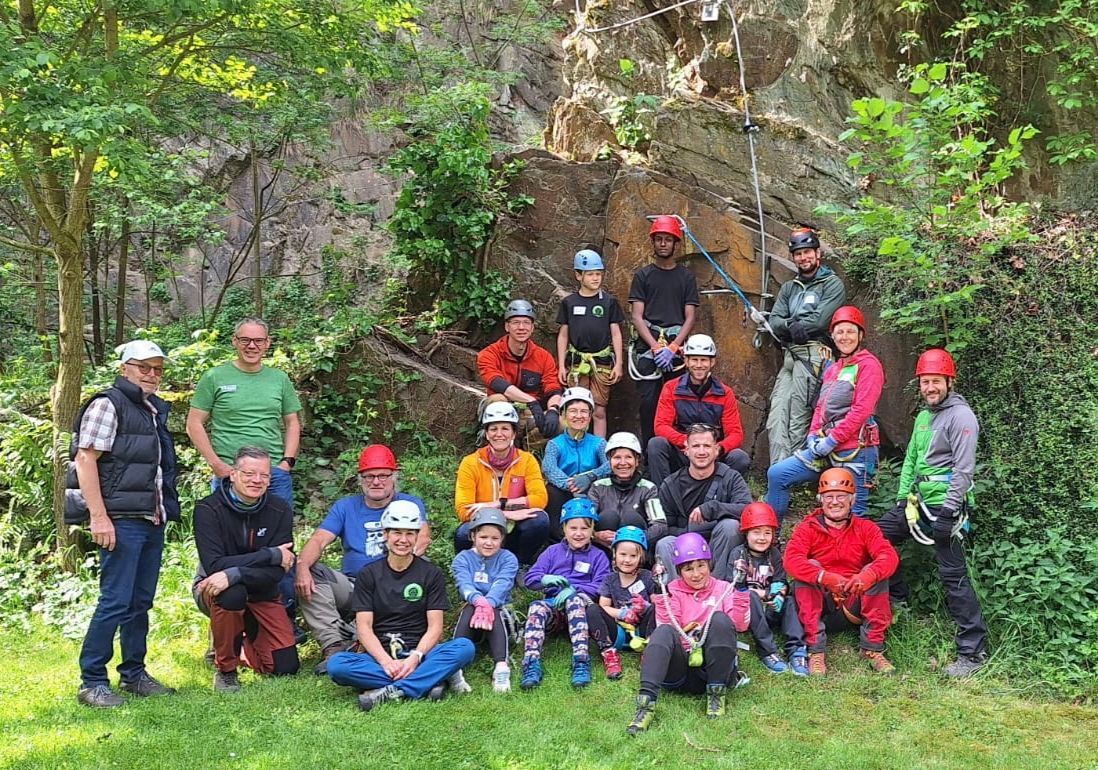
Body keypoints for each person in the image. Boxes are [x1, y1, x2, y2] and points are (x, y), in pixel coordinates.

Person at [66, 340, 179, 708]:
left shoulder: (150, 409)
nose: (151, 374)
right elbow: (86, 460)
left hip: (151, 519)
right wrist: (99, 517)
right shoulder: (107, 404)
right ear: (124, 369)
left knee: (140, 601)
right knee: (114, 601)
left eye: (157, 369)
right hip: (120, 519)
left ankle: (134, 675)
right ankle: (92, 681)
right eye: (143, 367)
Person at [875, 348, 990, 677]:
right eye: (925, 382)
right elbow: (911, 458)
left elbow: (964, 471)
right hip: (916, 502)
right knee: (877, 537)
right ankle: (898, 599)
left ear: (949, 381)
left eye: (935, 381)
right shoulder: (925, 416)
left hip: (945, 505)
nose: (930, 388)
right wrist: (900, 499)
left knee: (953, 577)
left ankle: (973, 651)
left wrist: (949, 513)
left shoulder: (961, 418)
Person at [294, 444, 431, 674]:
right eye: (369, 476)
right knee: (310, 570)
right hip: (354, 586)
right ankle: (335, 646)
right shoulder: (345, 507)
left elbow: (423, 539)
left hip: (396, 584)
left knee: (423, 569)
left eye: (382, 476)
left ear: (394, 478)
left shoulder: (409, 503)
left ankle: (389, 639)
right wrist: (301, 567)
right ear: (360, 479)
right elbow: (318, 540)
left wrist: (392, 575)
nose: (376, 481)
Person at [326, 504, 476, 711]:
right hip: (381, 655)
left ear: (416, 537)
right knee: (337, 665)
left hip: (421, 653)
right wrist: (387, 662)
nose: (403, 540)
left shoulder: (431, 573)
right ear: (385, 534)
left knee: (464, 648)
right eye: (397, 532)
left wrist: (415, 657)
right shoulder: (368, 574)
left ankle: (394, 690)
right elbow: (364, 628)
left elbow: (435, 628)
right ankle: (428, 682)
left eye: (409, 534)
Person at [193, 447, 301, 692]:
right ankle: (226, 670)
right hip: (215, 589)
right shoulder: (208, 509)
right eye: (249, 473)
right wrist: (270, 555)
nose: (257, 480)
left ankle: (238, 640)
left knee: (284, 666)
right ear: (233, 474)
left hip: (263, 589)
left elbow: (279, 571)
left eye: (264, 475)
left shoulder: (280, 509)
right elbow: (214, 566)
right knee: (232, 593)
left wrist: (238, 572)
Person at [765, 306, 883, 522]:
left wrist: (832, 439)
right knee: (777, 474)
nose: (844, 337)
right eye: (839, 332)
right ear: (832, 336)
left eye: (850, 331)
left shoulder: (869, 366)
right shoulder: (834, 368)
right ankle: (770, 537)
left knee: (854, 512)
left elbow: (861, 411)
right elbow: (820, 407)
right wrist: (812, 435)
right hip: (824, 447)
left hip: (855, 450)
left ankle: (855, 554)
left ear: (860, 335)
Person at [783, 468, 899, 676]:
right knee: (807, 572)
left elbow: (888, 556)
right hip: (822, 603)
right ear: (821, 500)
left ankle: (872, 648)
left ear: (852, 500)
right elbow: (792, 560)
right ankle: (815, 649)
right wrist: (824, 577)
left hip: (853, 602)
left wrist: (868, 576)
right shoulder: (807, 528)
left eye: (841, 497)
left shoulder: (866, 528)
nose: (835, 502)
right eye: (829, 497)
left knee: (878, 574)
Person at [626, 532, 745, 734]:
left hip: (711, 669)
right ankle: (645, 705)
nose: (696, 574)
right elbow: (666, 624)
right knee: (663, 631)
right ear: (679, 571)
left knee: (720, 620)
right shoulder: (671, 590)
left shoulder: (724, 588)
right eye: (688, 569)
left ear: (710, 565)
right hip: (680, 670)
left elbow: (739, 626)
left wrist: (741, 593)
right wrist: (662, 593)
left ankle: (716, 695)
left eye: (701, 566)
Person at [187, 317, 303, 506]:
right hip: (230, 473)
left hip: (273, 474)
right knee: (227, 534)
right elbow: (194, 423)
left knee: (277, 534)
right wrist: (216, 464)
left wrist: (286, 463)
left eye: (258, 341)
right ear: (235, 341)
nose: (251, 346)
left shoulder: (279, 379)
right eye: (245, 340)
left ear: (267, 343)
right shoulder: (214, 377)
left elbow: (292, 422)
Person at [753, 227, 846, 462]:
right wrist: (792, 325)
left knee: (798, 419)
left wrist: (792, 324)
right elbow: (775, 321)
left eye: (808, 252)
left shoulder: (832, 284)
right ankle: (778, 475)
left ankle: (794, 477)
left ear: (817, 253)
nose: (803, 258)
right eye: (798, 253)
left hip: (815, 354)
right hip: (790, 356)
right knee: (776, 420)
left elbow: (820, 321)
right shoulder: (789, 288)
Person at [520, 498, 611, 689]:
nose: (578, 533)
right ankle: (531, 662)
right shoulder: (552, 552)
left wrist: (575, 590)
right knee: (536, 606)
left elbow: (601, 585)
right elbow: (530, 578)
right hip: (554, 607)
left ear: (592, 530)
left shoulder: (598, 555)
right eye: (573, 528)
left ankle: (581, 661)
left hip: (581, 608)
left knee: (575, 601)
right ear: (564, 529)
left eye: (584, 528)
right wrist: (544, 579)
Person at [628, 215, 700, 447]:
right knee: (648, 401)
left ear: (675, 244)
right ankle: (650, 451)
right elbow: (637, 316)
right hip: (650, 347)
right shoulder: (643, 276)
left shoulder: (685, 277)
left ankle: (676, 450)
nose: (662, 244)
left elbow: (690, 317)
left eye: (667, 240)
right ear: (653, 242)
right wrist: (655, 346)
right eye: (659, 239)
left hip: (675, 349)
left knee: (677, 400)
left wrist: (673, 346)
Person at [454, 402, 551, 566]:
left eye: (505, 428)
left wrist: (499, 503)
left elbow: (540, 499)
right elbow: (464, 510)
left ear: (513, 433)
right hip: (483, 529)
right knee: (463, 533)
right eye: (493, 429)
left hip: (514, 529)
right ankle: (475, 567)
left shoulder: (526, 460)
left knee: (539, 520)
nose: (499, 434)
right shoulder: (470, 463)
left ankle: (519, 564)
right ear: (486, 434)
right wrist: (505, 514)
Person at [647, 333, 750, 485]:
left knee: (739, 457)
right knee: (656, 444)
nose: (699, 365)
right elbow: (661, 426)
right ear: (686, 361)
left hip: (712, 453)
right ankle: (662, 498)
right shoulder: (671, 388)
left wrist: (718, 449)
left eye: (704, 360)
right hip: (683, 450)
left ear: (712, 362)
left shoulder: (725, 393)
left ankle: (718, 498)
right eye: (694, 360)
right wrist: (687, 443)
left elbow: (736, 434)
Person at [654, 424, 752, 580]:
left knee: (730, 526)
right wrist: (692, 534)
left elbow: (748, 511)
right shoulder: (670, 484)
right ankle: (679, 597)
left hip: (718, 548)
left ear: (716, 450)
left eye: (706, 446)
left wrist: (712, 508)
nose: (701, 452)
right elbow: (664, 527)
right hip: (685, 552)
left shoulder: (731, 477)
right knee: (665, 543)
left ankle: (718, 589)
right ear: (686, 450)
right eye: (696, 446)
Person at [727, 502, 808, 676]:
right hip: (746, 613)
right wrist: (765, 594)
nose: (762, 538)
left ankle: (797, 649)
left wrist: (778, 594)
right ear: (746, 533)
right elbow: (735, 588)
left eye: (767, 533)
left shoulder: (774, 555)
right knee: (751, 596)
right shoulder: (738, 555)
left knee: (790, 601)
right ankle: (768, 651)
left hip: (769, 608)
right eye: (756, 532)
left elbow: (780, 579)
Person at [449, 507, 520, 693]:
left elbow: (502, 584)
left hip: (498, 610)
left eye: (495, 538)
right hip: (471, 609)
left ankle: (501, 666)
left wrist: (487, 603)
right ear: (473, 536)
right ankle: (454, 667)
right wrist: (478, 600)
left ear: (502, 539)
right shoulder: (462, 558)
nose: (489, 543)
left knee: (493, 611)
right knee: (469, 609)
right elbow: (464, 584)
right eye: (483, 537)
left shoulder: (508, 559)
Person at [556, 249, 626, 437]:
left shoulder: (609, 302)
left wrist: (619, 363)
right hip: (577, 361)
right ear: (579, 275)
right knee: (577, 408)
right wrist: (561, 365)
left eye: (598, 274)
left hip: (601, 362)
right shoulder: (569, 303)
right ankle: (576, 445)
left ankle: (600, 450)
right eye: (591, 274)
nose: (596, 279)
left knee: (599, 409)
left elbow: (616, 333)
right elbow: (563, 335)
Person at [476, 299, 564, 441]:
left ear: (532, 327)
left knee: (561, 424)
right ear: (507, 326)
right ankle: (491, 443)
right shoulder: (489, 354)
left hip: (530, 412)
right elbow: (495, 382)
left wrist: (553, 409)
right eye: (516, 323)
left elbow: (553, 387)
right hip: (501, 407)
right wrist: (530, 401)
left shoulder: (543, 357)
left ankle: (531, 453)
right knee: (498, 400)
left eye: (526, 323)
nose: (521, 327)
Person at [541, 386, 610, 540]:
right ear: (564, 413)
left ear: (590, 415)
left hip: (592, 491)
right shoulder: (555, 444)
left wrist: (590, 476)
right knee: (551, 491)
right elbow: (549, 468)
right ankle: (560, 538)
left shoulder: (598, 443)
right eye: (573, 411)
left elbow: (610, 464)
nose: (579, 416)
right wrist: (571, 485)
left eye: (584, 411)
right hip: (565, 492)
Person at [588, 527, 657, 679]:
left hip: (642, 631)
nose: (627, 560)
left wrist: (644, 607)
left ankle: (649, 651)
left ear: (641, 557)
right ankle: (608, 653)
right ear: (614, 554)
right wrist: (623, 613)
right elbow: (604, 605)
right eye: (623, 554)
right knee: (593, 609)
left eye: (633, 555)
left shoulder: (647, 576)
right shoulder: (610, 579)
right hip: (618, 632)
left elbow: (658, 605)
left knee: (656, 608)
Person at [588, 432, 667, 553]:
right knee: (608, 517)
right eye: (617, 457)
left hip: (636, 549)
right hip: (603, 548)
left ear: (636, 461)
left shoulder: (648, 488)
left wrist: (629, 537)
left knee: (631, 517)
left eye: (628, 457)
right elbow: (585, 521)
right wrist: (595, 535)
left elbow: (660, 525)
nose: (623, 463)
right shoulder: (598, 486)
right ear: (609, 461)